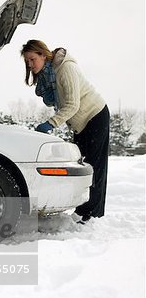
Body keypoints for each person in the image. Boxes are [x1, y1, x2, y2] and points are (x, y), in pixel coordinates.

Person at [21, 39, 110, 223]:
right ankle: (85, 210)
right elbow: (59, 101)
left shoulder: (65, 69)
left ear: (43, 55)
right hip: (81, 122)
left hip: (94, 115)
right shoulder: (50, 75)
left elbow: (73, 104)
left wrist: (51, 123)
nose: (30, 64)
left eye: (32, 59)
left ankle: (91, 215)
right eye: (27, 61)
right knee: (83, 165)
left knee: (93, 166)